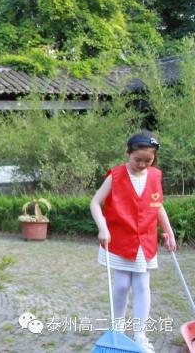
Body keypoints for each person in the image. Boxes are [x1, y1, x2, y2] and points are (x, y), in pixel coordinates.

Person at [90, 131, 176, 353]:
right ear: (128, 153)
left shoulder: (155, 176)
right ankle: (117, 328)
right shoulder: (116, 176)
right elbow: (95, 203)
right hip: (118, 240)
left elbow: (158, 207)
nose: (142, 164)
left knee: (142, 286)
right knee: (120, 285)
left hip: (145, 242)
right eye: (138, 160)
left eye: (148, 160)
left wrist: (168, 232)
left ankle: (140, 335)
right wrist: (103, 227)